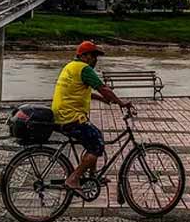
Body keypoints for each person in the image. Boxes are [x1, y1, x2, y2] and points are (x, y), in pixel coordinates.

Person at [51, 40, 132, 194]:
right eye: (93, 55)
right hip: (71, 117)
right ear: (84, 56)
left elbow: (80, 91)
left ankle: (92, 176)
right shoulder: (84, 69)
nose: (95, 59)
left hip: (62, 114)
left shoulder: (70, 66)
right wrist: (121, 102)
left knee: (96, 136)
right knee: (97, 145)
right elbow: (103, 88)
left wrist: (102, 99)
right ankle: (74, 178)